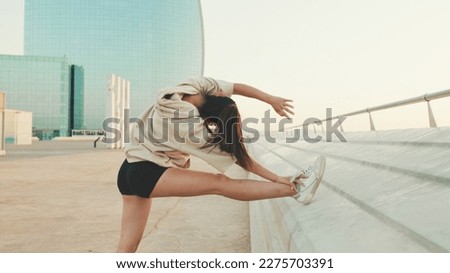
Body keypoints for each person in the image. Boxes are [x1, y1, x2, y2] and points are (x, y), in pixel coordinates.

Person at [116, 77, 304, 253]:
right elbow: (242, 159)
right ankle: (293, 190)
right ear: (210, 121)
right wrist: (278, 178)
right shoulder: (193, 130)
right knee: (220, 183)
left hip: (127, 168)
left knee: (125, 250)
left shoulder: (191, 86)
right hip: (147, 173)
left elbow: (236, 88)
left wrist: (270, 99)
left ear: (218, 94)